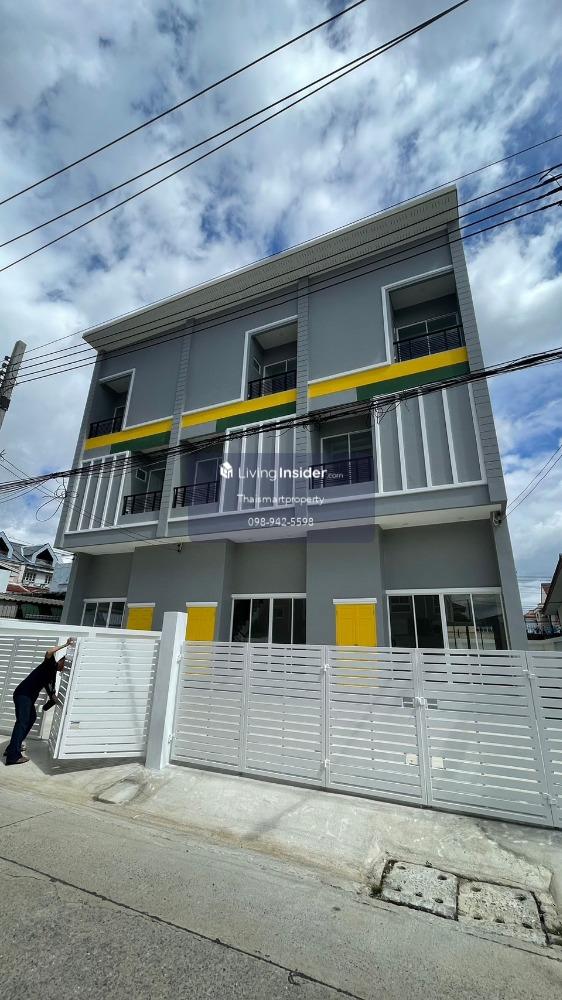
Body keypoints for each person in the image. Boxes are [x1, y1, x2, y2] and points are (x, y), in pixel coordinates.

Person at [3, 641, 70, 766]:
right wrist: (65, 645)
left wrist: (61, 702)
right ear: (62, 661)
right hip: (23, 695)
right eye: (66, 666)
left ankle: (12, 747)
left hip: (27, 697)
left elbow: (52, 694)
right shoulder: (50, 664)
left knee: (31, 718)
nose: (65, 669)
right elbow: (49, 652)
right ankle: (13, 756)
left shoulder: (52, 675)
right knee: (22, 722)